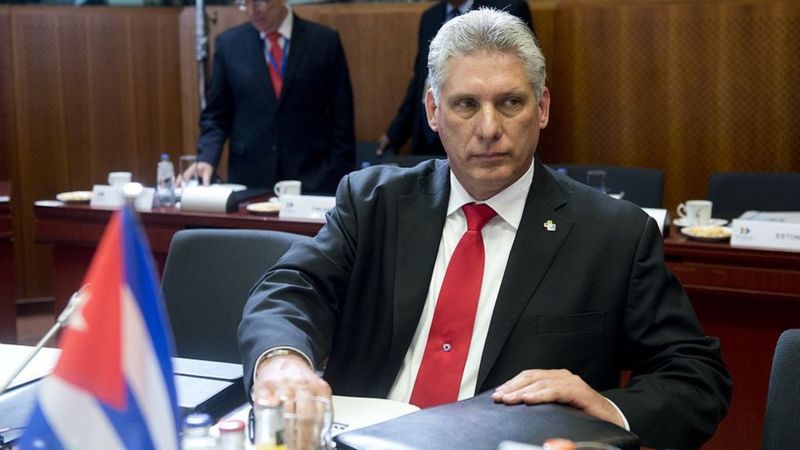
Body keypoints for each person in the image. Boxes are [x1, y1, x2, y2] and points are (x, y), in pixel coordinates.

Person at [239, 9, 731, 450]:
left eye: (511, 103)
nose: (489, 127)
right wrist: (282, 360)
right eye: (466, 105)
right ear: (433, 111)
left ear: (542, 109)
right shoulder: (373, 203)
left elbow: (696, 377)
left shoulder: (615, 235)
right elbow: (290, 290)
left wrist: (612, 409)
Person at [192, 0, 355, 194]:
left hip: (313, 178)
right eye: (245, 4)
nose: (253, 11)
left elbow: (342, 118)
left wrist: (337, 175)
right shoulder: (229, 45)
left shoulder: (324, 42)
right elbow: (216, 115)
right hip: (250, 179)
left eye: (259, 2)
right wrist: (207, 158)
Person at [376, 0, 533, 157]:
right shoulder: (430, 16)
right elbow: (420, 80)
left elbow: (526, 77)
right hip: (426, 136)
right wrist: (395, 133)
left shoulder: (507, 8)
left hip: (478, 138)